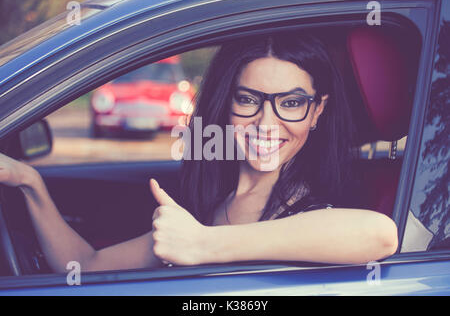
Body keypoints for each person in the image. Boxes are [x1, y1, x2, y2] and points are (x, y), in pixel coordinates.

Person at [0, 32, 398, 273]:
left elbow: (379, 236)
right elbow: (85, 266)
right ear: (227, 103)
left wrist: (203, 245)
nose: (266, 123)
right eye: (248, 100)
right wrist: (30, 182)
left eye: (291, 104)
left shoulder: (316, 202)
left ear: (317, 111)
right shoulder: (206, 204)